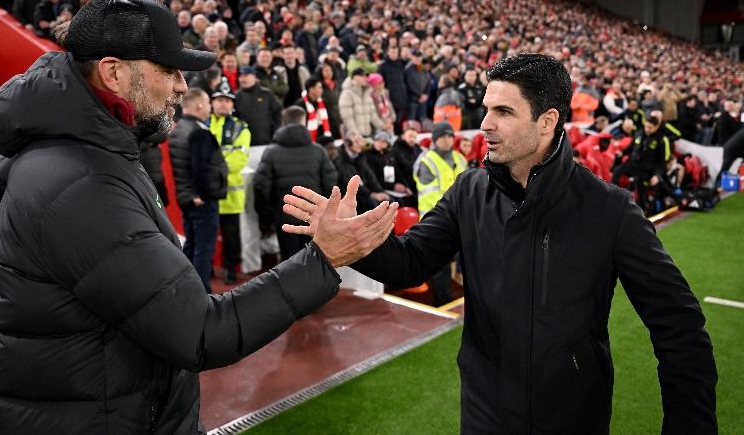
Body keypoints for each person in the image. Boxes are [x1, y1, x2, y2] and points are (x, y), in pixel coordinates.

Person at [0, 0, 397, 433]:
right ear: (113, 72)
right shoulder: (81, 183)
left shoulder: (86, 156)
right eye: (168, 70)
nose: (183, 85)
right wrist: (323, 258)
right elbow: (201, 333)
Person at [283, 54, 717, 434]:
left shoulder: (611, 211)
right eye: (487, 109)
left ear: (546, 121)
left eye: (504, 111)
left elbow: (679, 327)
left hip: (572, 420)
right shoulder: (468, 192)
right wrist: (357, 242)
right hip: (484, 415)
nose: (484, 125)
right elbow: (410, 262)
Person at [254, 106, 337, 261]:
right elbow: (330, 184)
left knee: (289, 262)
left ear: (283, 123)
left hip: (284, 215)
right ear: (303, 122)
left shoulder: (271, 152)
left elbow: (261, 186)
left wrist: (268, 212)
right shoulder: (318, 151)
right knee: (314, 260)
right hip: (313, 216)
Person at [169, 88, 227, 292]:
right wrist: (201, 195)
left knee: (192, 246)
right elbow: (201, 168)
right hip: (200, 200)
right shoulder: (199, 132)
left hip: (187, 197)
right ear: (199, 105)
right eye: (209, 103)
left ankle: (186, 289)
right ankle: (201, 294)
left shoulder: (179, 129)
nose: (210, 107)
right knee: (203, 248)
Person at [413, 121, 466, 306]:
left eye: (450, 136)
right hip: (434, 220)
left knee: (468, 259)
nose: (447, 140)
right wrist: (456, 206)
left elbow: (467, 188)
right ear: (435, 139)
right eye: (443, 136)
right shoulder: (426, 161)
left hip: (459, 218)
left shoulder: (460, 158)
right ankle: (442, 303)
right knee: (441, 266)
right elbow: (429, 195)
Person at [205, 81, 250, 284]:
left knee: (232, 237)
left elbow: (239, 160)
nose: (223, 104)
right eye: (219, 100)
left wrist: (212, 169)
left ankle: (230, 268)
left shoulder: (241, 128)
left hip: (230, 194)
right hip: (207, 192)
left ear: (232, 105)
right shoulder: (202, 124)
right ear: (212, 103)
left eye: (226, 101)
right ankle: (208, 268)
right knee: (207, 233)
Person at [234, 65, 282, 146]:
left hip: (265, 141)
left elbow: (278, 113)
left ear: (254, 77)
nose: (242, 79)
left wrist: (275, 132)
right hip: (243, 143)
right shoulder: (236, 96)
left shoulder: (266, 94)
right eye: (240, 76)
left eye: (245, 76)